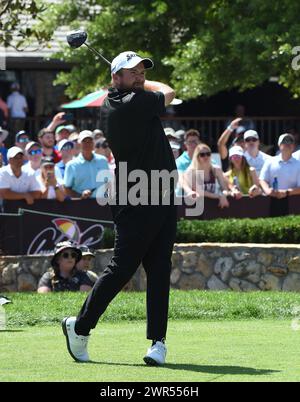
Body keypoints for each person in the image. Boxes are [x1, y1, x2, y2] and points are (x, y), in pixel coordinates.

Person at [62, 51, 177, 366]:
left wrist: (138, 80)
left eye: (142, 71)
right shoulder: (130, 104)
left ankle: (158, 342)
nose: (140, 76)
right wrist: (146, 84)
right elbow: (169, 90)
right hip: (138, 196)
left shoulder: (129, 99)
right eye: (133, 72)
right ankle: (80, 326)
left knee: (159, 269)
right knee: (123, 267)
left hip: (162, 194)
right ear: (116, 78)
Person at [64, 130, 109, 199]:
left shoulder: (103, 161)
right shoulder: (71, 165)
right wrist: (80, 195)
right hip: (81, 205)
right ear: (78, 143)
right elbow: (66, 189)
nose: (87, 144)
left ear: (93, 143)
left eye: (90, 141)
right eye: (84, 141)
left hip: (102, 204)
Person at [183, 144, 230, 208]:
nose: (206, 156)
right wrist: (219, 196)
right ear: (197, 157)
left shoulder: (216, 170)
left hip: (213, 204)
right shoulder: (191, 171)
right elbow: (199, 191)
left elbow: (224, 189)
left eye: (208, 154)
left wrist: (223, 195)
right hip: (194, 206)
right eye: (202, 154)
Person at [260, 134, 300, 198]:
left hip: (293, 204)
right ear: (279, 145)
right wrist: (267, 191)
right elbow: (262, 179)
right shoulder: (269, 161)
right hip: (271, 202)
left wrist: (287, 192)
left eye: (290, 142)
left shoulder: (298, 164)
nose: (288, 144)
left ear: (294, 146)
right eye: (284, 142)